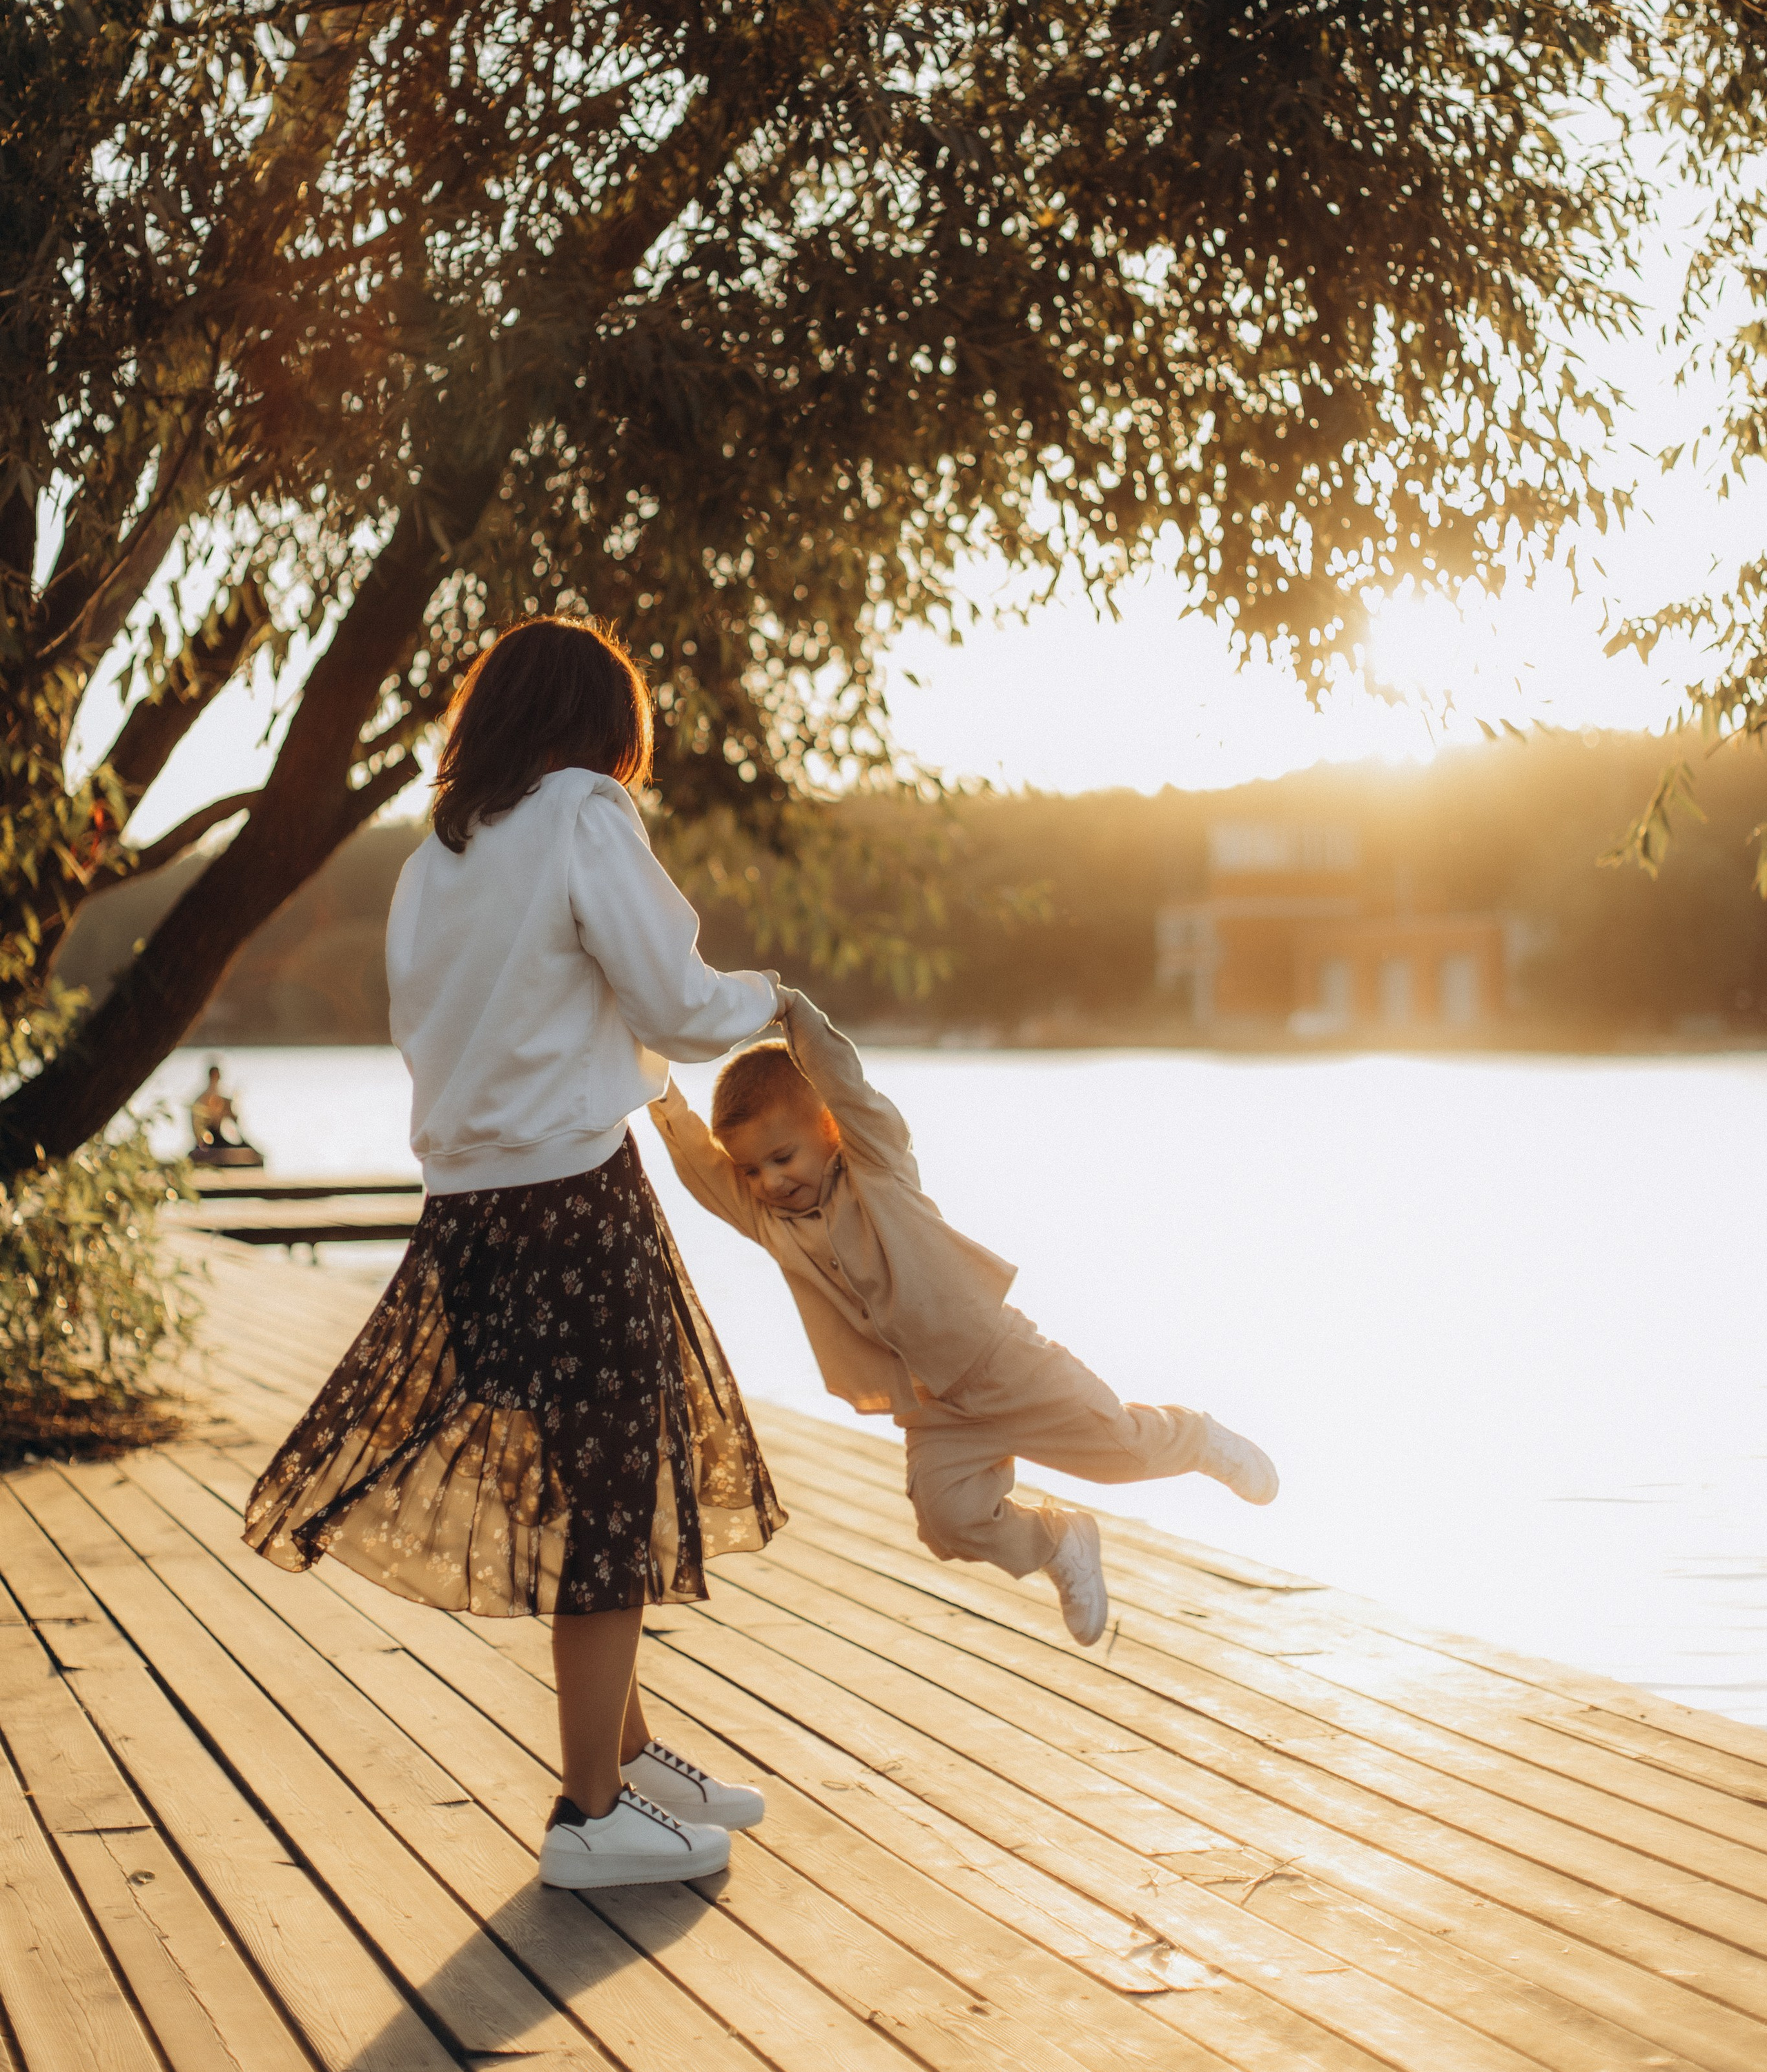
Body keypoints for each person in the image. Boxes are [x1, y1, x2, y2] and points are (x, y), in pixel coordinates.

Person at [244, 616, 783, 1891]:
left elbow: (432, 1029)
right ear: (599, 726)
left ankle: (631, 1765)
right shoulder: (584, 813)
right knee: (610, 1500)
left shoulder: (442, 850)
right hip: (572, 1201)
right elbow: (677, 1002)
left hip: (469, 1212)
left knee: (586, 1485)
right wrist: (775, 1003)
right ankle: (590, 1816)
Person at [650, 989, 1278, 1648]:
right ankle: (1058, 1541)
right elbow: (697, 1164)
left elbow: (849, 1089)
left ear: (829, 1130)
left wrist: (791, 1011)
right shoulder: (769, 1222)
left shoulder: (876, 1168)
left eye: (784, 1158)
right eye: (753, 1170)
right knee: (946, 1521)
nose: (771, 1182)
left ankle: (1199, 1438)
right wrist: (654, 1082)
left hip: (1002, 1361)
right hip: (929, 1403)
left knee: (1118, 1454)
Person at [189, 1064, 262, 1166]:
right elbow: (200, 1126)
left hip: (217, 1137)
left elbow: (233, 1118)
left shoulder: (219, 1097)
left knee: (245, 1149)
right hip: (209, 1139)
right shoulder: (204, 1099)